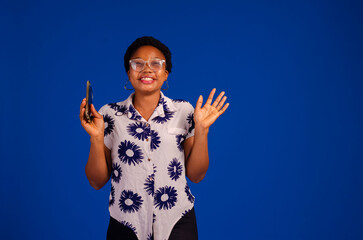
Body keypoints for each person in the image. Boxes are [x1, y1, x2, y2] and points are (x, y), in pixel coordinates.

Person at [79, 36, 229, 240]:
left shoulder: (183, 111)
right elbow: (96, 182)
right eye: (138, 63)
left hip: (177, 221)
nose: (147, 69)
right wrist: (96, 138)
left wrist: (202, 130)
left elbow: (196, 175)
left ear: (166, 73)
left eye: (156, 64)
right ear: (128, 72)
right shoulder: (108, 114)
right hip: (125, 224)